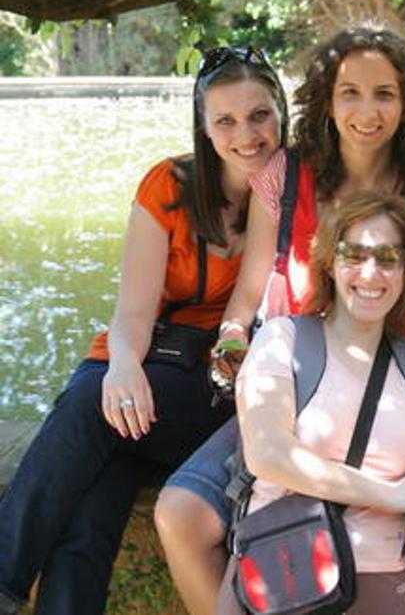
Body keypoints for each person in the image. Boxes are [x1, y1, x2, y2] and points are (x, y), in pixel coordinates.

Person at [154, 24, 405, 615]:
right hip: (300, 381)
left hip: (394, 381)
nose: (366, 112)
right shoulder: (286, 173)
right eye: (350, 92)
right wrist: (233, 340)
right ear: (325, 98)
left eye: (385, 94)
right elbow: (249, 290)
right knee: (180, 513)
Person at [0, 46, 288, 615]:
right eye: (225, 120)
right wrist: (124, 367)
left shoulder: (289, 190)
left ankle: (5, 581)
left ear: (282, 111)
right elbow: (131, 314)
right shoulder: (169, 186)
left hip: (213, 380)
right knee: (94, 499)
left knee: (89, 407)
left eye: (260, 115)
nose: (246, 135)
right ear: (203, 127)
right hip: (140, 359)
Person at [216, 192, 405, 615]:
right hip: (279, 573)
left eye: (388, 257)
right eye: (354, 254)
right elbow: (268, 455)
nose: (370, 272)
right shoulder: (282, 339)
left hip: (380, 580)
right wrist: (390, 494)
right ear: (329, 261)